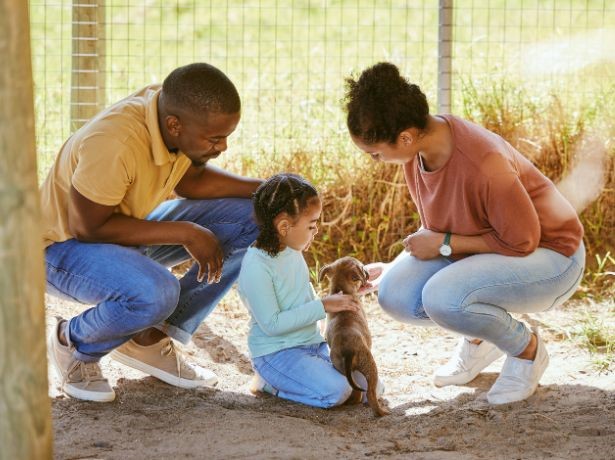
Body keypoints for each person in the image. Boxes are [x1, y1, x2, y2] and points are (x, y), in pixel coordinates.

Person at [343, 62, 585, 404]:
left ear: (406, 137)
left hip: (553, 257)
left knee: (443, 298)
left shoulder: (483, 161)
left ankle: (527, 351)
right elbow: (444, 227)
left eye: (375, 153)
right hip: (500, 249)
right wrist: (398, 265)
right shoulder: (419, 154)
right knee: (395, 293)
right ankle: (480, 337)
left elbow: (522, 240)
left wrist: (442, 244)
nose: (375, 160)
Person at [42, 62, 261, 402]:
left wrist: (266, 190)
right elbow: (88, 227)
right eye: (216, 139)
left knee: (254, 216)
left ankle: (146, 336)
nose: (224, 147)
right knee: (157, 290)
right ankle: (74, 343)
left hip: (114, 232)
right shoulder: (115, 142)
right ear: (175, 126)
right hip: (58, 247)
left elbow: (190, 180)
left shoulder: (169, 115)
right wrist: (186, 232)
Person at [237, 173, 376, 409]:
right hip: (278, 355)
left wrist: (348, 291)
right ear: (284, 226)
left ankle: (305, 379)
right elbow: (272, 324)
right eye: (311, 225)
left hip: (313, 346)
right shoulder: (256, 267)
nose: (316, 231)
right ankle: (270, 385)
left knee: (368, 384)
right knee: (339, 392)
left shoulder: (291, 250)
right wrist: (323, 306)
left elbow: (299, 295)